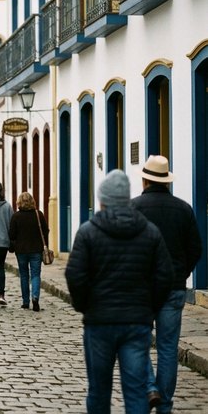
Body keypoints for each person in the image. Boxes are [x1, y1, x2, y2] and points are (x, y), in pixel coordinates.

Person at [66, 169, 173, 414]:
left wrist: (85, 306)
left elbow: (75, 275)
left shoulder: (88, 231)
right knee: (136, 391)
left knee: (98, 390)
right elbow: (164, 276)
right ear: (127, 199)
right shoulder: (149, 232)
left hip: (99, 322)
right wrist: (150, 307)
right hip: (137, 322)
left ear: (102, 200)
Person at [131, 155, 202, 412]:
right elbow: (195, 248)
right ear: (167, 181)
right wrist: (181, 272)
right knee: (168, 348)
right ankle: (165, 405)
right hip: (173, 287)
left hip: (141, 288)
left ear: (145, 179)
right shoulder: (183, 209)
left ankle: (150, 387)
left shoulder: (134, 208)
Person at [8, 192, 48, 312]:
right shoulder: (38, 215)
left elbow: (12, 235)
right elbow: (45, 232)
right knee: (35, 275)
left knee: (24, 275)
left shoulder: (16, 216)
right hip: (36, 250)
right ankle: (35, 297)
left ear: (19, 202)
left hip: (21, 251)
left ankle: (25, 302)